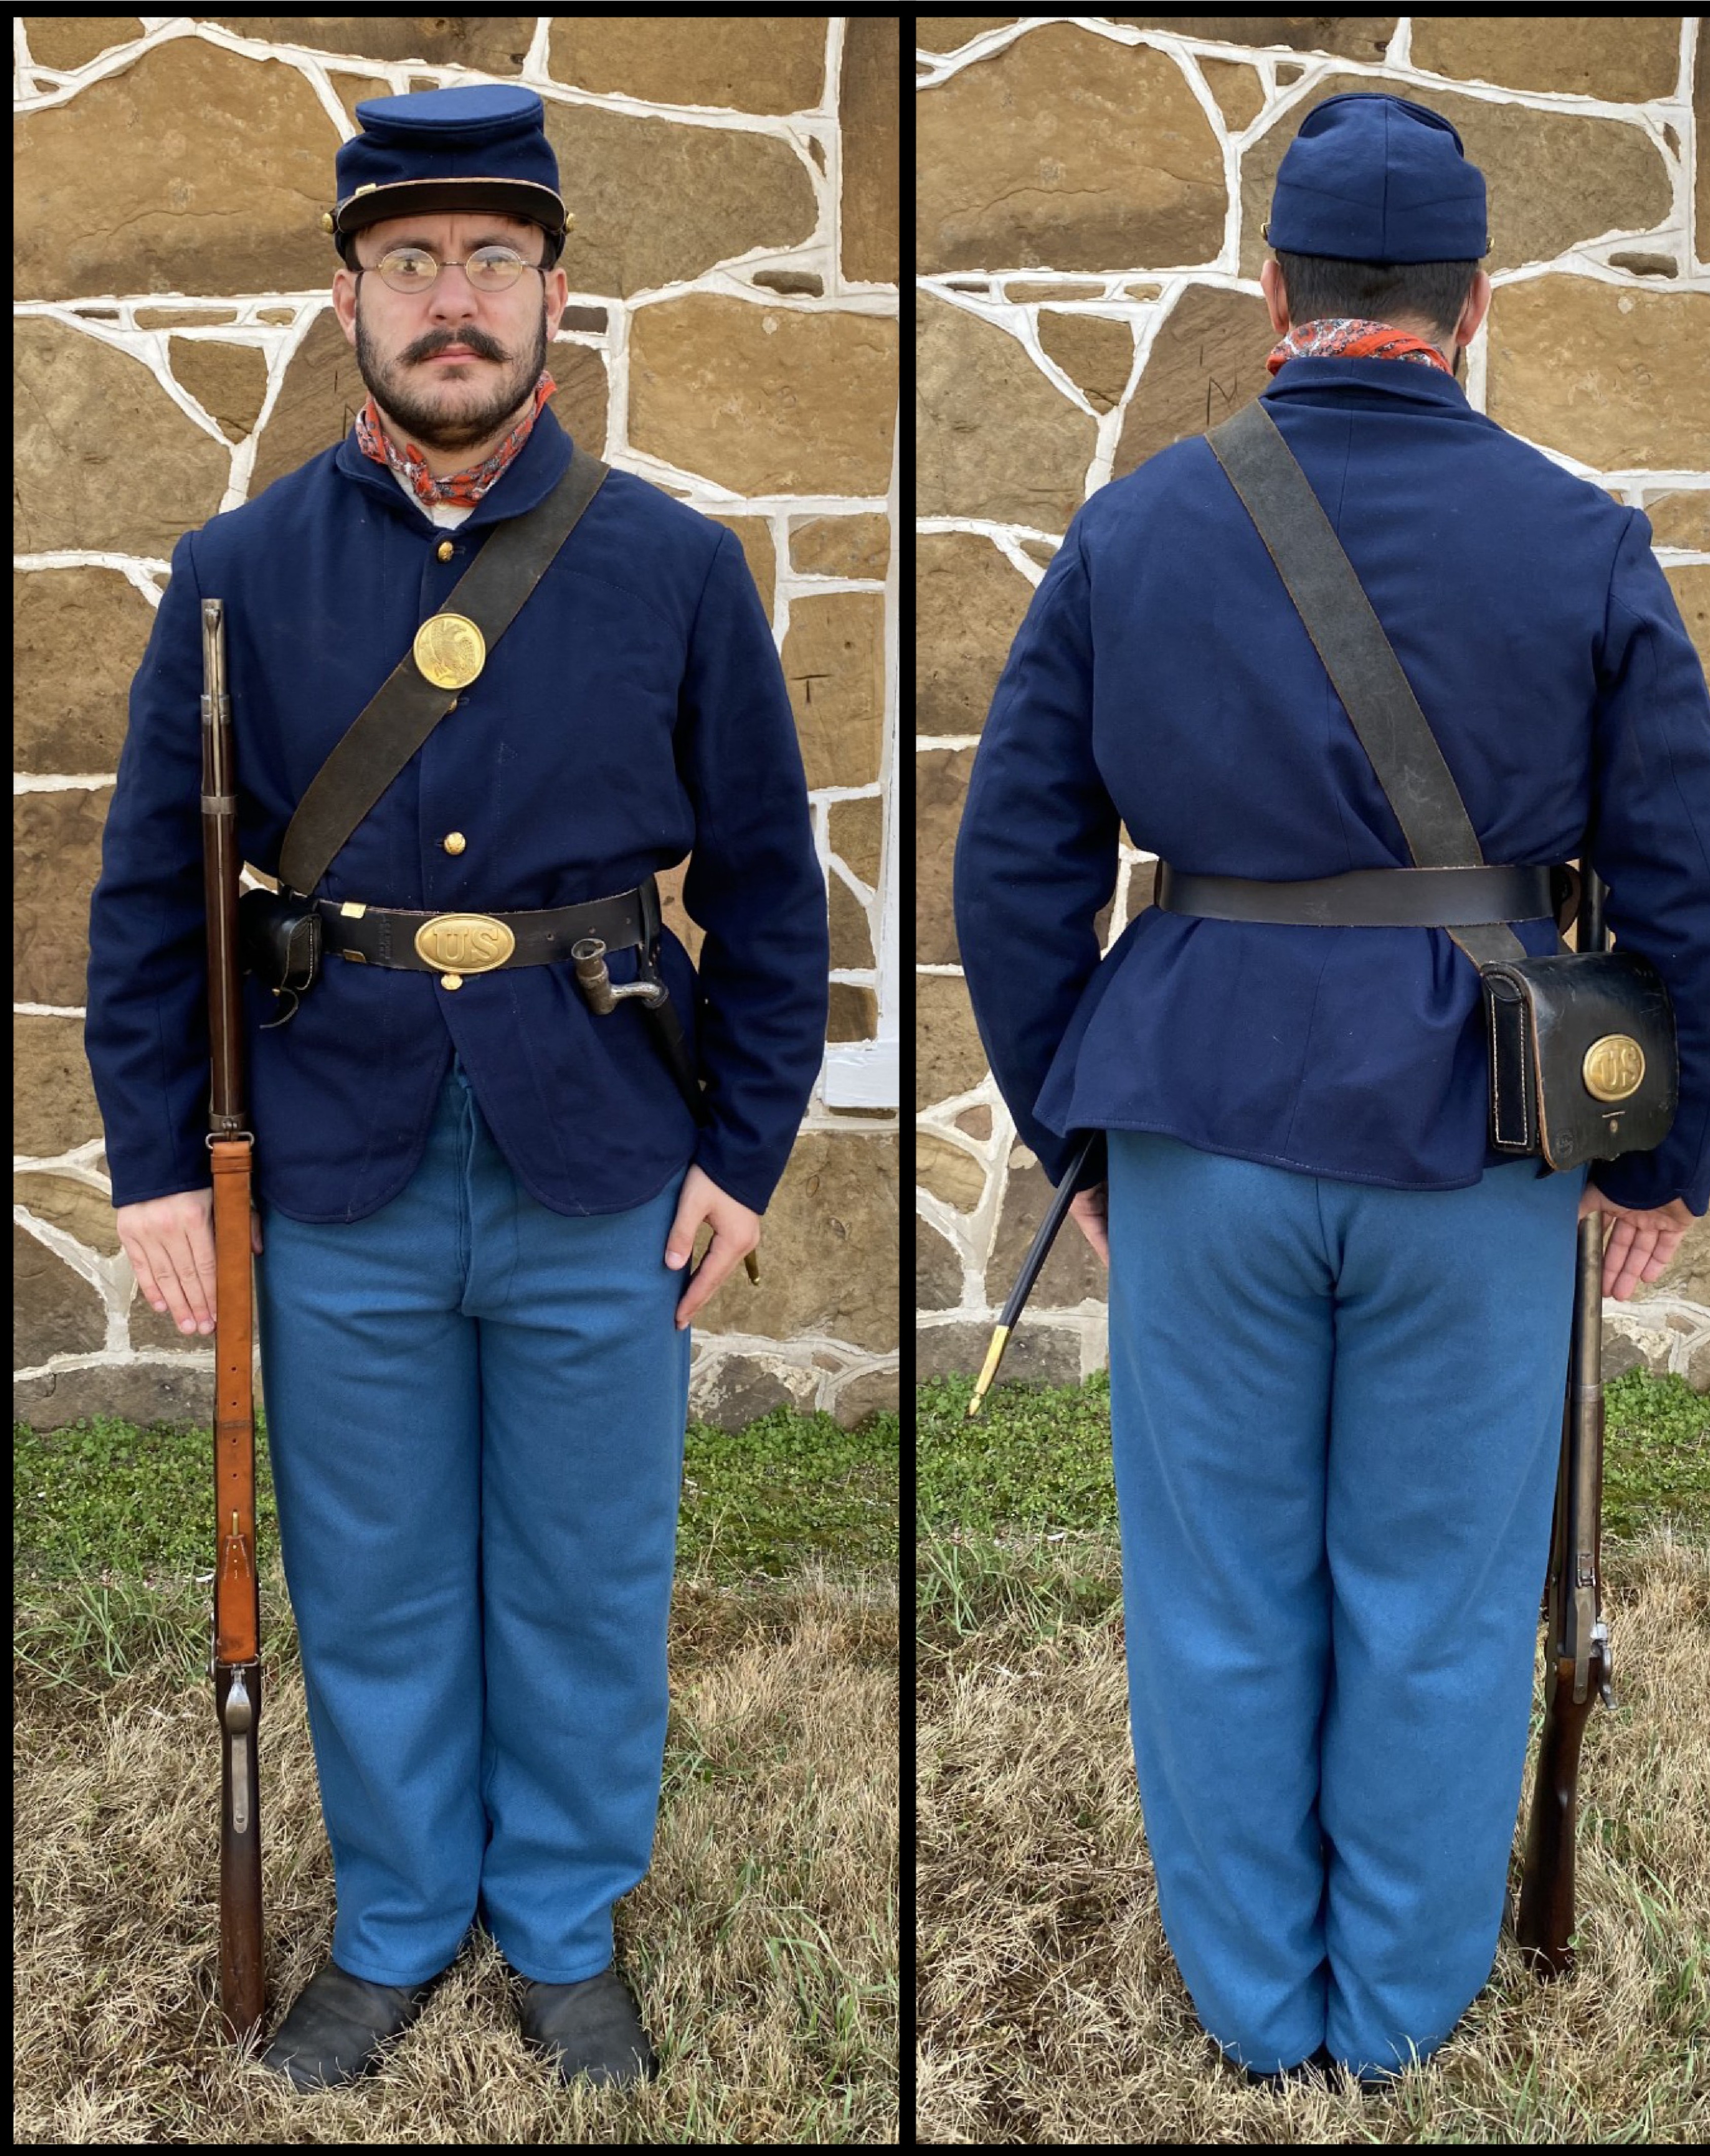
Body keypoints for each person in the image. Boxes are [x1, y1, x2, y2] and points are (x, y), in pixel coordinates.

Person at [951, 91, 1710, 2088]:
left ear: (1273, 292)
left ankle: (1252, 1998)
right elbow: (1690, 877)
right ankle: (1393, 2008)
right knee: (1441, 1596)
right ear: (1476, 303)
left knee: (1220, 1591)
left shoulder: (1137, 528)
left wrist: (1075, 1123)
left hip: (1203, 1122)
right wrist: (1664, 1150)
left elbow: (1015, 860)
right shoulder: (1583, 539)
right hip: (1480, 1137)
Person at [84, 83, 829, 2090]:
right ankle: (404, 1916)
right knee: (376, 1569)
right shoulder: (234, 569)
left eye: (492, 257)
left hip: (604, 1144)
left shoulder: (674, 566)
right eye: (409, 259)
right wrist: (156, 1164)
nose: (452, 300)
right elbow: (154, 897)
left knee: (586, 1569)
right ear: (347, 299)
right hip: (336, 1147)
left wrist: (745, 1150)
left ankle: (565, 1922)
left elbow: (771, 885)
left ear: (556, 296)